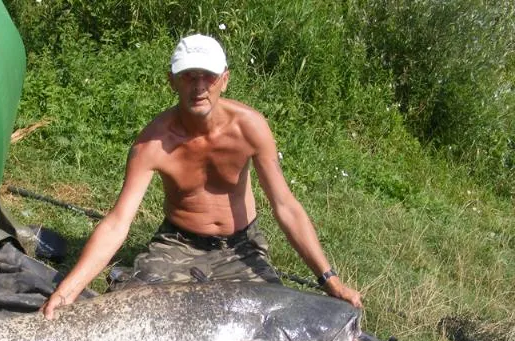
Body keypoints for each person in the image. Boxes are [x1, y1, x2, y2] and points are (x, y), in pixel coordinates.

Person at [41, 34, 362, 319]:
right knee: (136, 310)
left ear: (225, 79)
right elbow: (117, 222)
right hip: (177, 243)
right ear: (172, 81)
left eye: (208, 76)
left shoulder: (250, 128)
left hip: (241, 246)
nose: (199, 87)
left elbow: (285, 206)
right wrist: (68, 291)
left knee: (271, 319)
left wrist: (330, 280)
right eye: (188, 76)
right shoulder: (152, 143)